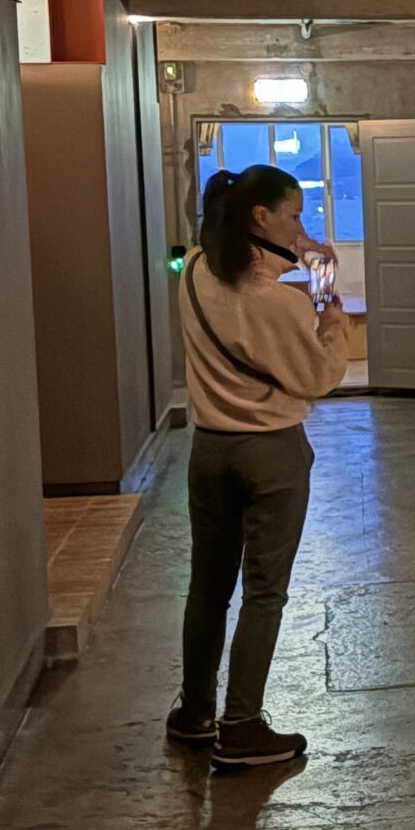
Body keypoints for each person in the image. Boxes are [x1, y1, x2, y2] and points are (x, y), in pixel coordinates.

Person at [168, 163, 349, 771]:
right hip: (270, 453)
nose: (303, 225)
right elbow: (318, 376)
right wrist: (330, 316)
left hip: (210, 450)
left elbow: (246, 276)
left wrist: (297, 254)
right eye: (295, 215)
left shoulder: (196, 271)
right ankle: (241, 727)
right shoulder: (282, 304)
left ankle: (195, 713)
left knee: (208, 588)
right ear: (261, 217)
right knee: (264, 593)